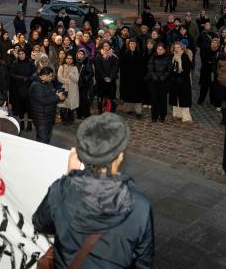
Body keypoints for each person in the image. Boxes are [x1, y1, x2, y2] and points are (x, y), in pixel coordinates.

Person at [32, 113, 154, 268]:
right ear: (120, 156)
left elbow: (41, 223)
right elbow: (143, 262)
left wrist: (69, 178)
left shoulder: (61, 190)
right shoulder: (139, 205)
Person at [29, 66, 66, 143]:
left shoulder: (48, 83)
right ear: (43, 76)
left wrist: (58, 94)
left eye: (51, 76)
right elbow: (42, 101)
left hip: (49, 115)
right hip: (41, 117)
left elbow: (50, 95)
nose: (51, 78)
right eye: (50, 76)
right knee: (42, 139)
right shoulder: (36, 85)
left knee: (47, 138)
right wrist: (57, 97)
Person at [10, 48, 36, 131]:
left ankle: (29, 122)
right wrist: (22, 78)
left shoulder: (30, 62)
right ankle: (21, 122)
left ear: (25, 54)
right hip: (18, 88)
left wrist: (30, 78)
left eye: (22, 53)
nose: (21, 55)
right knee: (20, 107)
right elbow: (12, 75)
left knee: (29, 107)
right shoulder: (15, 63)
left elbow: (35, 73)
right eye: (19, 54)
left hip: (29, 88)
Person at [119, 40, 145, 118]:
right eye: (131, 44)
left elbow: (143, 67)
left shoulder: (140, 54)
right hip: (127, 77)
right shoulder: (125, 54)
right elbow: (122, 66)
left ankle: (138, 111)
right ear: (129, 45)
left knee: (137, 95)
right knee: (128, 93)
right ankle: (129, 109)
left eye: (134, 44)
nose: (132, 45)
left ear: (136, 45)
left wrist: (141, 76)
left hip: (137, 78)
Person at [146, 43, 172, 122]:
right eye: (158, 49)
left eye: (161, 49)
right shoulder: (153, 57)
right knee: (154, 100)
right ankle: (154, 116)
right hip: (154, 82)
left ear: (164, 50)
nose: (159, 51)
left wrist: (163, 77)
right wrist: (154, 76)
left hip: (163, 82)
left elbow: (169, 69)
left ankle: (162, 116)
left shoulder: (168, 58)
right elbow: (150, 67)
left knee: (163, 100)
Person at [169, 42, 193, 121]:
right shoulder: (174, 56)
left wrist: (180, 75)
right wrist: (174, 75)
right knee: (175, 98)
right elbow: (173, 68)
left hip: (184, 81)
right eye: (175, 47)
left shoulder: (185, 56)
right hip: (175, 81)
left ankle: (186, 117)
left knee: (184, 99)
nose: (176, 49)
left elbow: (187, 69)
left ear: (182, 48)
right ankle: (177, 114)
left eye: (178, 47)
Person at [94, 41, 119, 113]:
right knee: (101, 96)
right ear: (102, 47)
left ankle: (111, 110)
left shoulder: (114, 56)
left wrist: (110, 77)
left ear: (110, 47)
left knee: (111, 96)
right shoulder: (98, 56)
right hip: (101, 80)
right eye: (104, 46)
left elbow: (115, 67)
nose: (106, 47)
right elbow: (98, 68)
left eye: (107, 46)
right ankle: (101, 110)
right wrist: (104, 77)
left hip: (111, 80)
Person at [58, 53, 80, 125]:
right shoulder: (62, 67)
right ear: (65, 59)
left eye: (71, 59)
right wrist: (68, 81)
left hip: (73, 89)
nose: (69, 60)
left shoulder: (75, 68)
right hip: (64, 88)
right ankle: (64, 119)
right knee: (63, 105)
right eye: (68, 58)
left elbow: (76, 79)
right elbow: (59, 78)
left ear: (73, 60)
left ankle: (70, 119)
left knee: (72, 105)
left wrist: (70, 74)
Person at [76, 49, 94, 120]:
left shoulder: (86, 62)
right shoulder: (76, 62)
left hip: (84, 85)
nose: (80, 55)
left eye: (82, 54)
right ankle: (79, 114)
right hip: (76, 84)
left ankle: (86, 114)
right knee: (78, 100)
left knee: (84, 100)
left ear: (84, 55)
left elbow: (91, 73)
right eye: (79, 54)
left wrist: (84, 79)